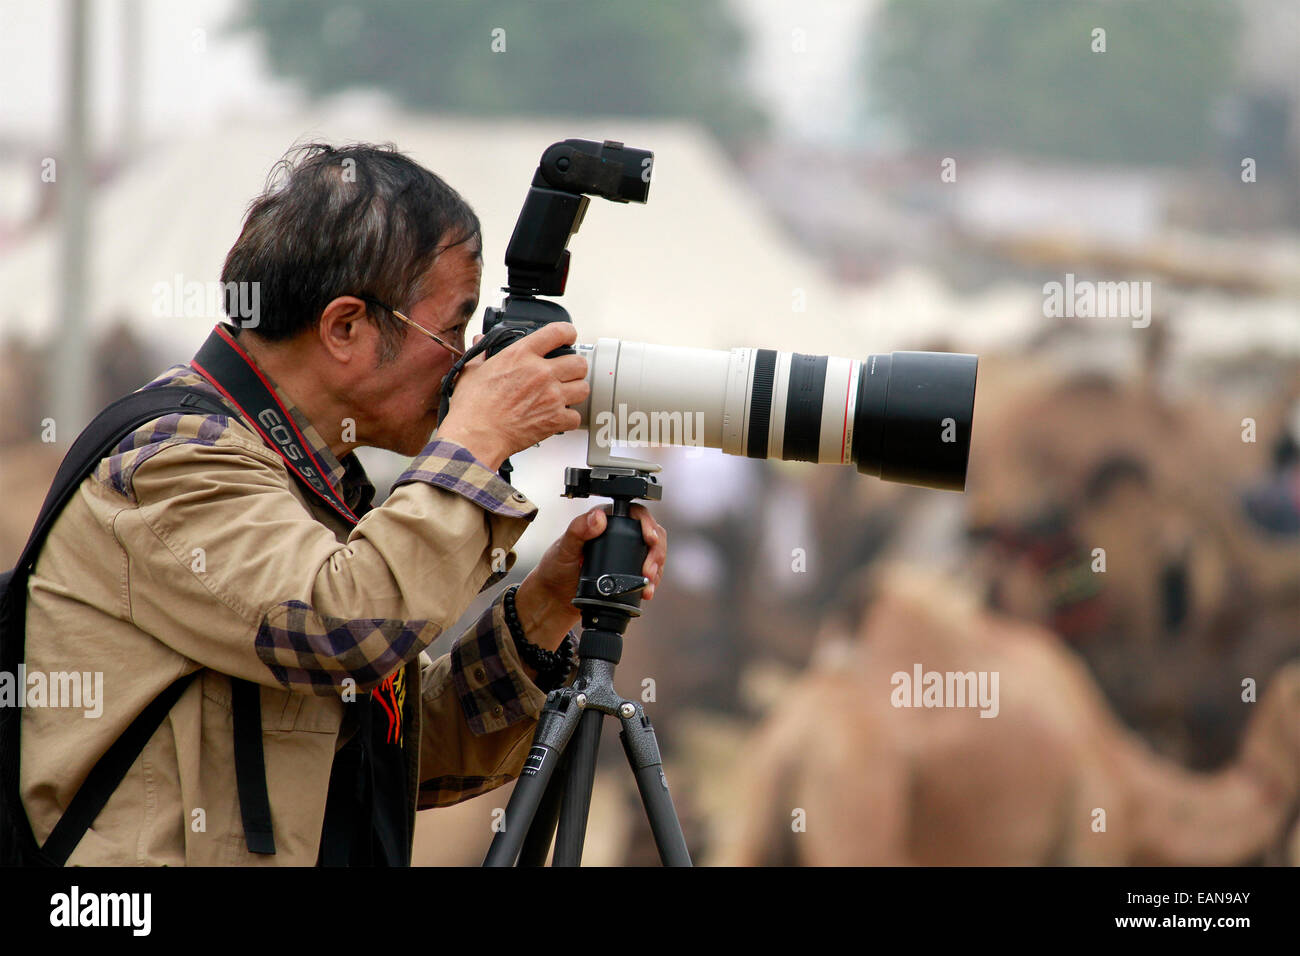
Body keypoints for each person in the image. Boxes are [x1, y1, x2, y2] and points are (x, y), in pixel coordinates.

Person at [18, 143, 667, 865]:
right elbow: (338, 627)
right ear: (346, 327)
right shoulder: (172, 461)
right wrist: (476, 439)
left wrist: (543, 613)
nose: (468, 362)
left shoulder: (306, 483)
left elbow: (391, 754)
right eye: (452, 330)